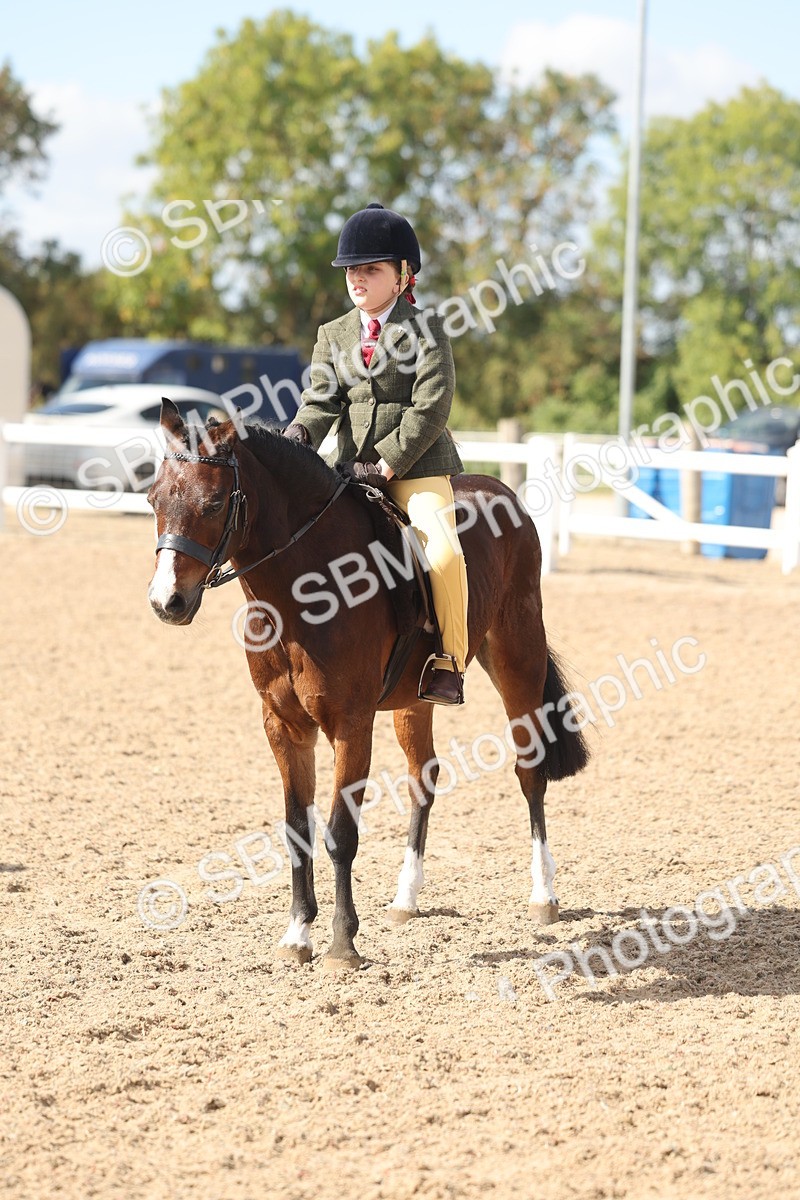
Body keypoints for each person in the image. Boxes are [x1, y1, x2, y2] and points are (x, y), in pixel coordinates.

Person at [284, 202, 468, 706]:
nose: (357, 279)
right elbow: (321, 400)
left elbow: (432, 406)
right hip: (348, 467)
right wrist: (298, 435)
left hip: (415, 468)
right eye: (351, 270)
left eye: (370, 269)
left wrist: (387, 462)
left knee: (444, 553)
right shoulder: (333, 334)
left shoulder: (428, 329)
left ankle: (449, 662)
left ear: (402, 275)